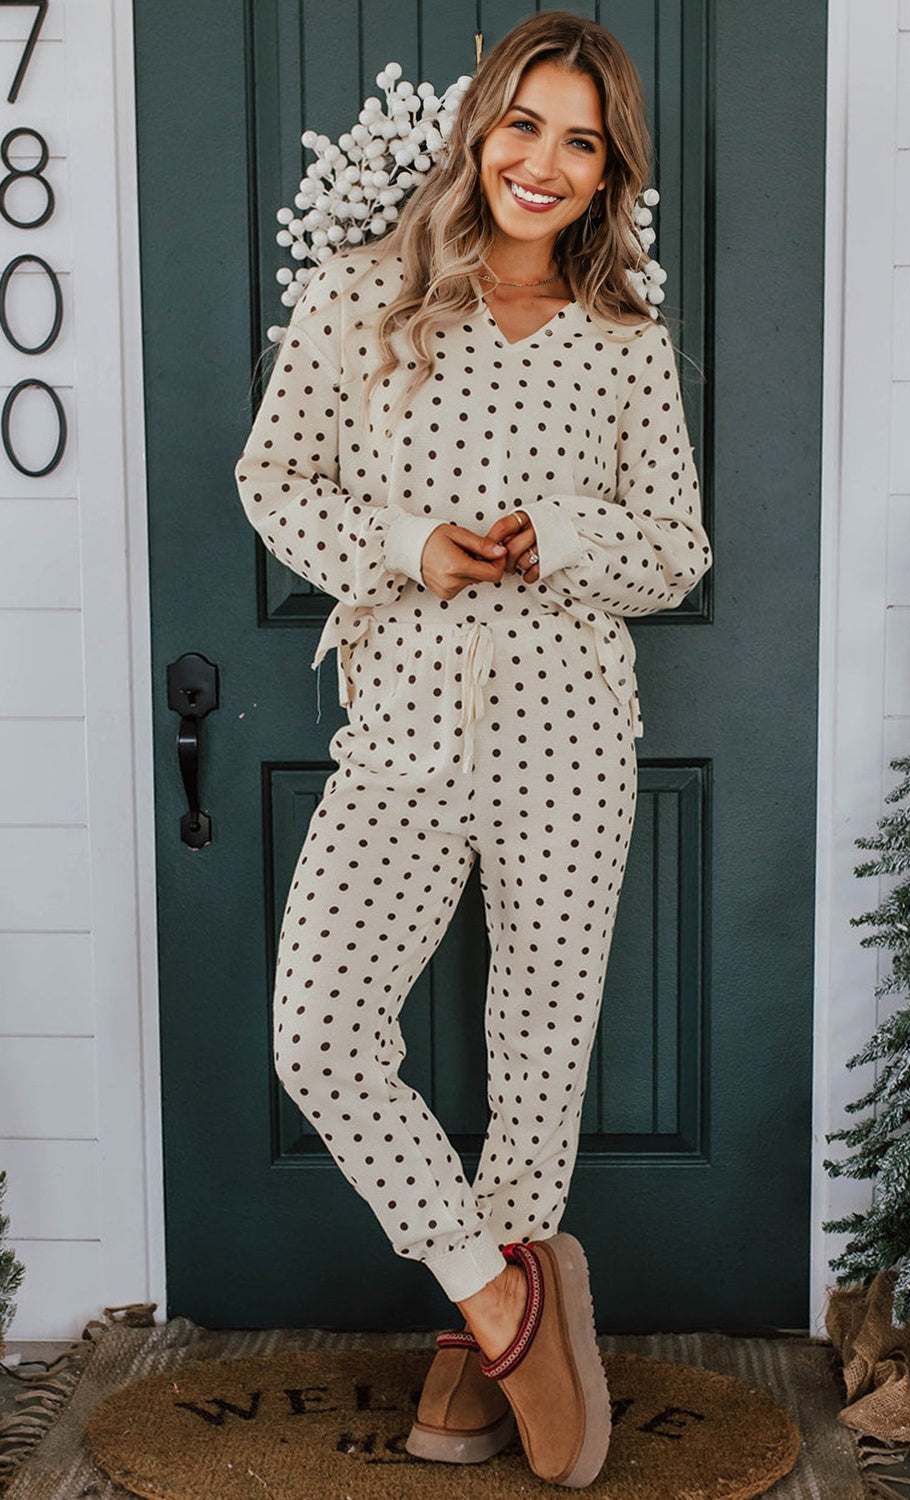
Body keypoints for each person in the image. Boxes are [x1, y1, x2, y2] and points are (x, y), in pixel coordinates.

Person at [234, 9, 711, 1488]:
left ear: (608, 171)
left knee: (538, 1054)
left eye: (581, 141)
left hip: (572, 725)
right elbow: (273, 478)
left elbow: (677, 550)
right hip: (402, 724)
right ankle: (502, 1303)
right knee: (319, 1033)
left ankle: (471, 1355)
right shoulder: (358, 298)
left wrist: (559, 534)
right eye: (524, 125)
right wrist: (408, 547)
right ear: (479, 129)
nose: (544, 163)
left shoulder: (625, 344)